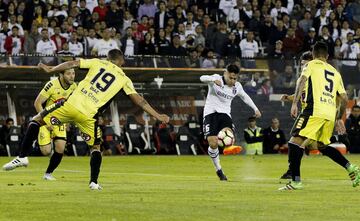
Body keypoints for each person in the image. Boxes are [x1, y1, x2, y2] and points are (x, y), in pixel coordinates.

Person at [3, 49, 170, 190]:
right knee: (96, 147)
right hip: (89, 115)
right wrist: (158, 116)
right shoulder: (124, 78)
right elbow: (139, 100)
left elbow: (72, 64)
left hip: (71, 105)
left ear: (108, 58)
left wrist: (51, 69)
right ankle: (94, 182)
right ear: (121, 61)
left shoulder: (97, 62)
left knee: (37, 119)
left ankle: (23, 156)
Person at [279, 42, 360, 190]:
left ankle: (296, 181)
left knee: (294, 142)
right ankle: (351, 168)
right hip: (329, 114)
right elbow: (345, 99)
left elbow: (302, 81)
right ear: (327, 56)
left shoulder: (310, 65)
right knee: (322, 146)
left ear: (314, 54)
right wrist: (337, 119)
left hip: (314, 110)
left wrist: (294, 103)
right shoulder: (335, 72)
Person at [200, 64, 261, 181]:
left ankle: (228, 145)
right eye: (230, 78)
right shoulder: (216, 78)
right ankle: (219, 169)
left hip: (225, 114)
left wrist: (255, 108)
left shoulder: (237, 87)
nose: (232, 80)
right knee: (213, 143)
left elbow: (245, 97)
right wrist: (213, 79)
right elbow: (202, 78)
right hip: (210, 113)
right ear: (225, 73)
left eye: (235, 78)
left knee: (228, 133)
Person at [34, 69, 77, 180]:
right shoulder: (52, 85)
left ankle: (48, 174)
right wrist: (45, 121)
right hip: (46, 120)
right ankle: (36, 138)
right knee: (46, 151)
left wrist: (67, 121)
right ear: (61, 75)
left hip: (59, 121)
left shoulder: (74, 87)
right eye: (68, 74)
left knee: (60, 149)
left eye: (73, 73)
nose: (72, 76)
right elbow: (37, 103)